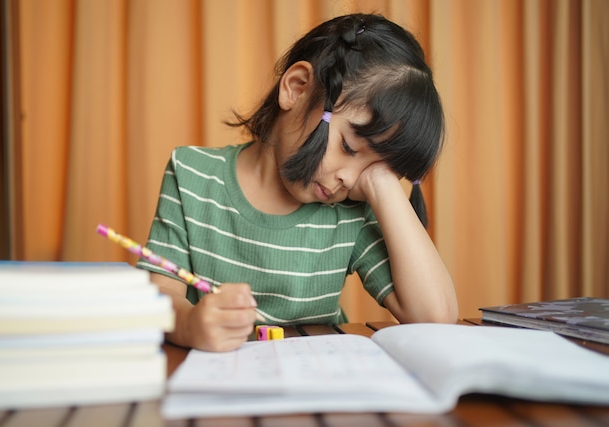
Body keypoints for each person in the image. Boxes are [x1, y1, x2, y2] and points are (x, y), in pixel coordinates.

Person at [138, 13, 458, 352]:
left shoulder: (351, 210)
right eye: (348, 147)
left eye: (372, 169)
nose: (349, 179)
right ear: (297, 88)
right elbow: (161, 290)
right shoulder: (192, 174)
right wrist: (189, 325)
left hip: (314, 386)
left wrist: (382, 184)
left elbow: (435, 317)